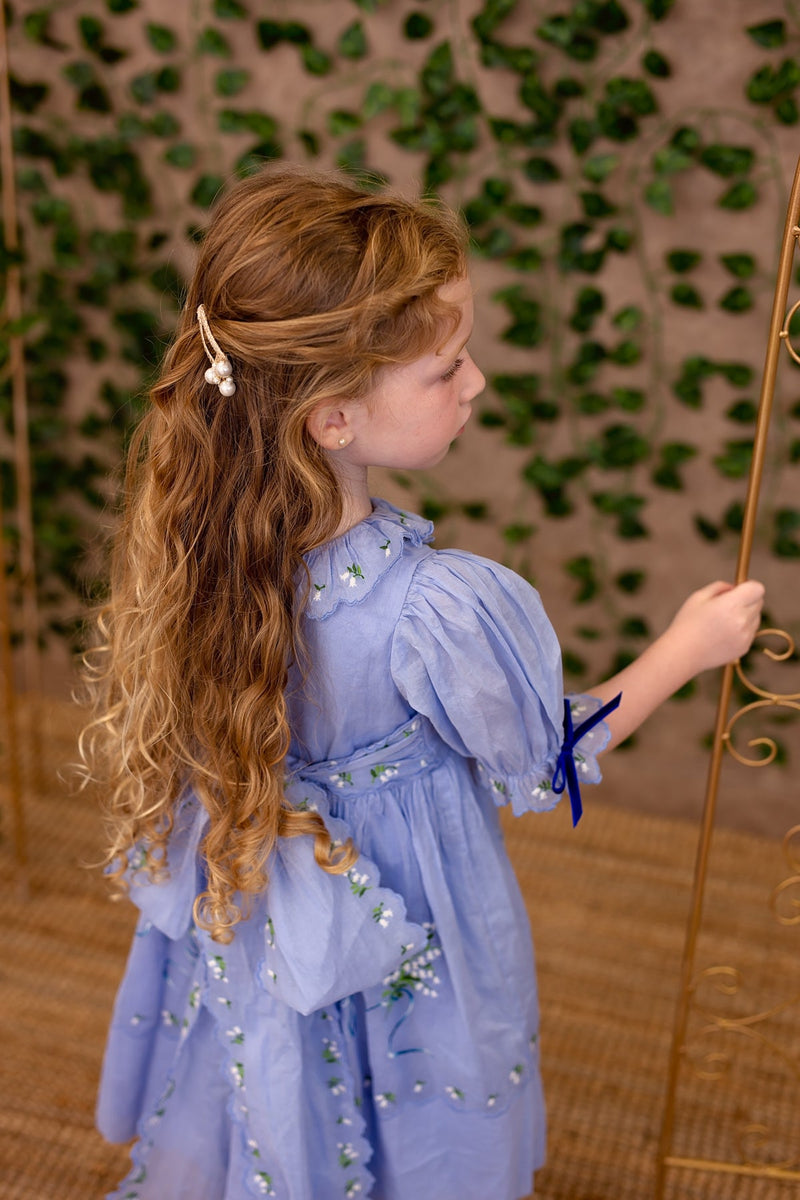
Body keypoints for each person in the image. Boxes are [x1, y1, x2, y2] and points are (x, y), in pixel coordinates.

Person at [82, 164, 764, 1200]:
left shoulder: (199, 548)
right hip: (417, 925)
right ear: (332, 419)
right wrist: (688, 645)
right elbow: (548, 758)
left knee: (288, 1090)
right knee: (417, 1093)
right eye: (447, 368)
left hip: (258, 901)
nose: (476, 382)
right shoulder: (432, 609)